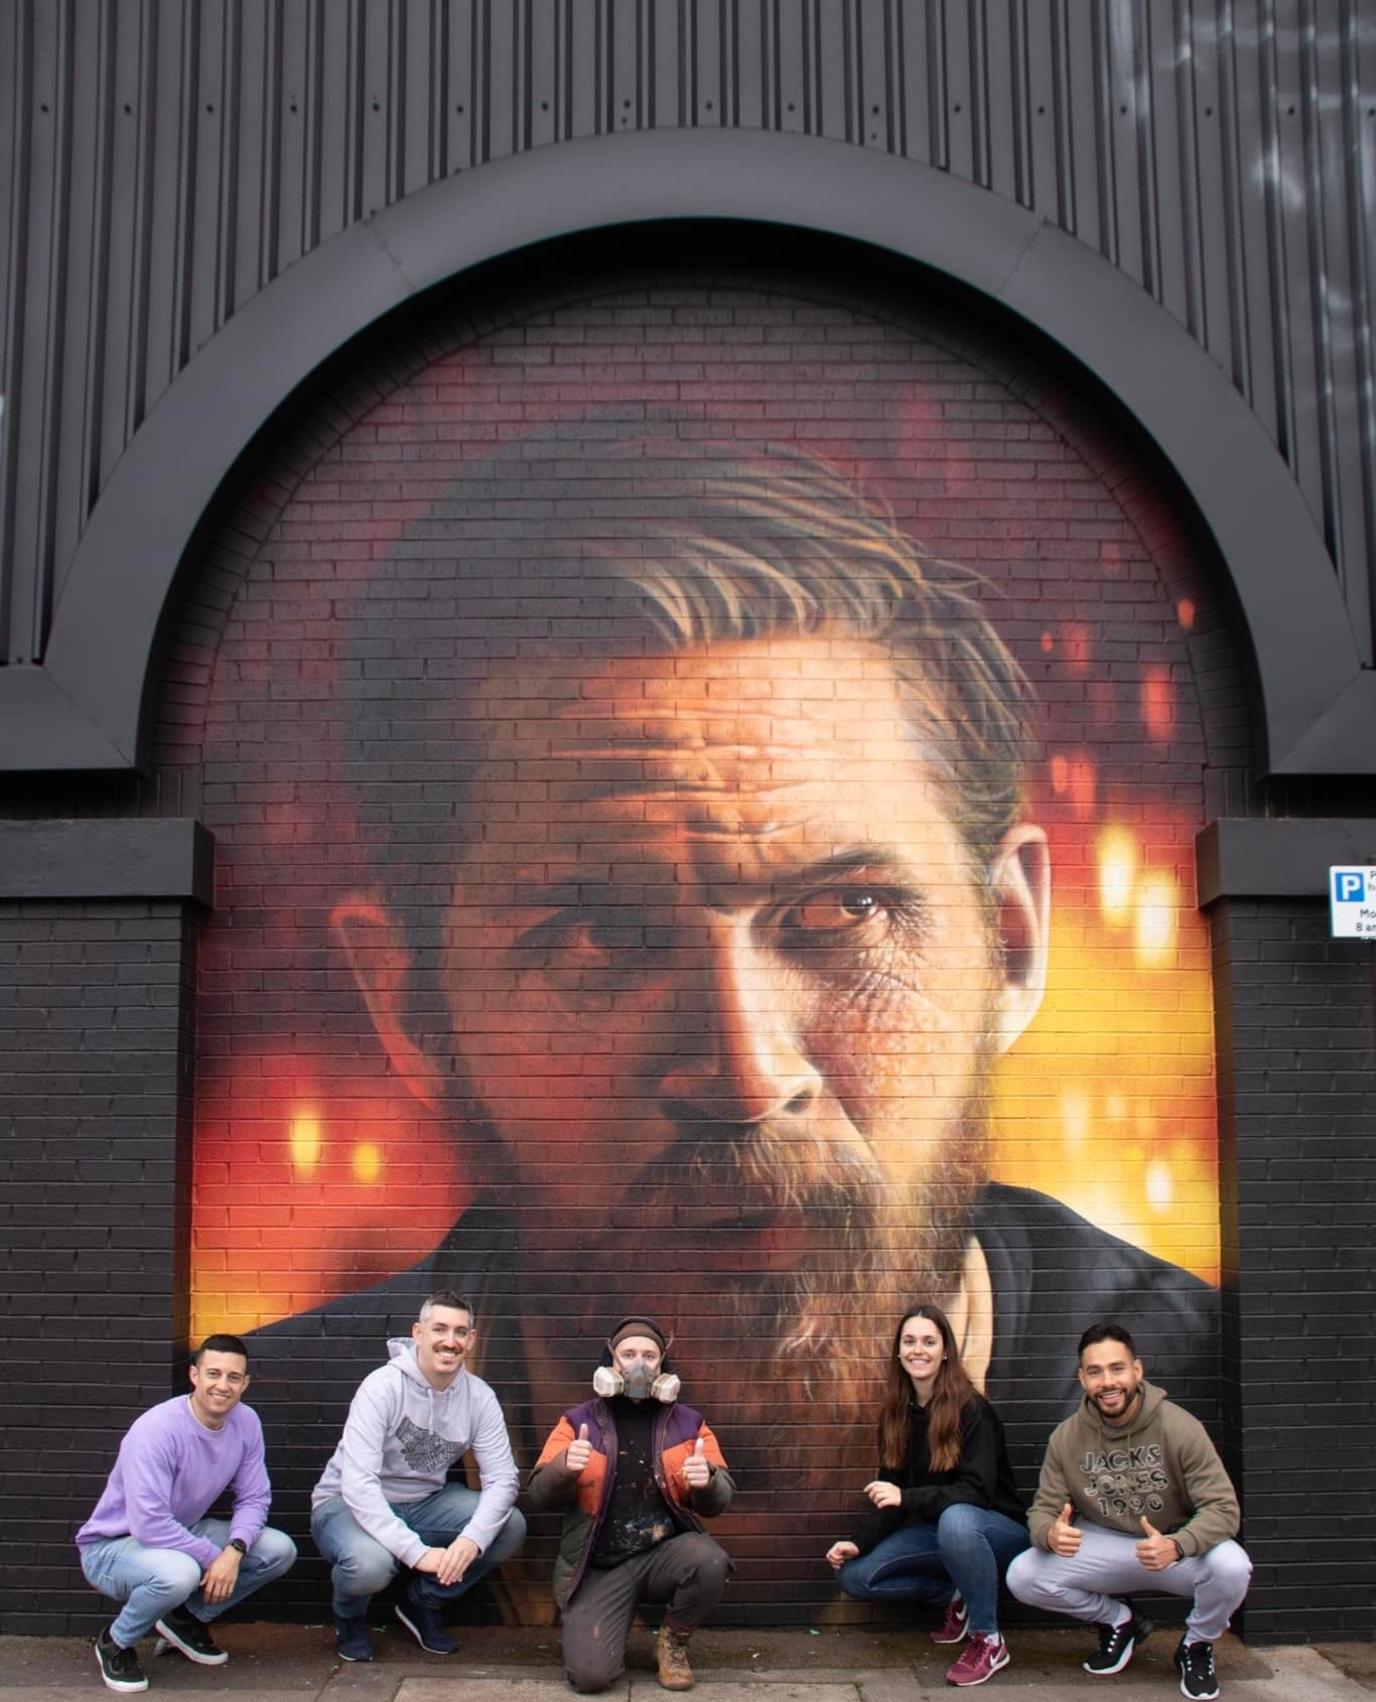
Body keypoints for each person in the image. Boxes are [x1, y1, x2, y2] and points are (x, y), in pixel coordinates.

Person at [244, 436, 1217, 1588]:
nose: (746, 1077)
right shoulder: (282, 1427)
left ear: (1007, 944)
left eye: (846, 908)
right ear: (412, 1007)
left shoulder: (1232, 1383)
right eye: (597, 935)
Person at [1006, 1322, 1251, 1701]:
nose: (1107, 1381)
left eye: (1117, 1368)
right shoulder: (1066, 1438)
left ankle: (1197, 1645)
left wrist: (1179, 1544)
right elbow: (1042, 1510)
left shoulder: (1180, 1427)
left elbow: (1223, 1509)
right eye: (1095, 1371)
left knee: (1232, 1566)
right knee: (1023, 1575)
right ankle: (1120, 1621)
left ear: (1137, 1370)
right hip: (1104, 1546)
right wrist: (1049, 1534)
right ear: (1082, 1378)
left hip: (1172, 1550)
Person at [309, 1290, 524, 1662]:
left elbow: (503, 1479)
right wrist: (416, 1552)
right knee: (371, 1565)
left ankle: (421, 1602)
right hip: (344, 1505)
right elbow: (358, 1484)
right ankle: (349, 1620)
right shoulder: (381, 1387)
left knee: (510, 1526)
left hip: (424, 1504)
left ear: (472, 1339)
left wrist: (470, 1541)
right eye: (439, 1329)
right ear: (418, 1333)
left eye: (460, 1332)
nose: (450, 1341)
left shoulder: (479, 1397)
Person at [76, 1334, 296, 1695]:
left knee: (278, 1549)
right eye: (213, 1374)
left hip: (180, 1532)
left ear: (245, 1383)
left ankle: (184, 1618)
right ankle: (115, 1641)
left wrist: (235, 1550)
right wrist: (216, 1559)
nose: (222, 1386)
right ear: (194, 1375)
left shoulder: (246, 1422)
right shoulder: (156, 1430)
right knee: (181, 1572)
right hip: (112, 1548)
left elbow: (255, 1498)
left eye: (233, 1377)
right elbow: (149, 1524)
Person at [526, 1317, 733, 1692]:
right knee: (591, 1678)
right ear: (612, 1363)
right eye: (629, 1354)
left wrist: (709, 1483)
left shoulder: (689, 1423)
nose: (639, 1364)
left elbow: (721, 1501)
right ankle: (607, 1625)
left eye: (649, 1356)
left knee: (710, 1560)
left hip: (663, 1555)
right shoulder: (577, 1422)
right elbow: (538, 1494)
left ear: (661, 1366)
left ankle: (673, 1642)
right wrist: (562, 1469)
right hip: (599, 1567)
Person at [825, 1305, 1028, 1687]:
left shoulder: (972, 1410)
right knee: (856, 1576)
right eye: (910, 1341)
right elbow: (891, 1495)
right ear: (899, 1352)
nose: (919, 1350)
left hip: (995, 1533)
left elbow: (977, 1493)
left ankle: (988, 1638)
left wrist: (907, 1498)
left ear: (945, 1350)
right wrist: (858, 1541)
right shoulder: (896, 1414)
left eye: (929, 1341)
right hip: (943, 1534)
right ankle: (956, 1594)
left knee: (958, 1518)